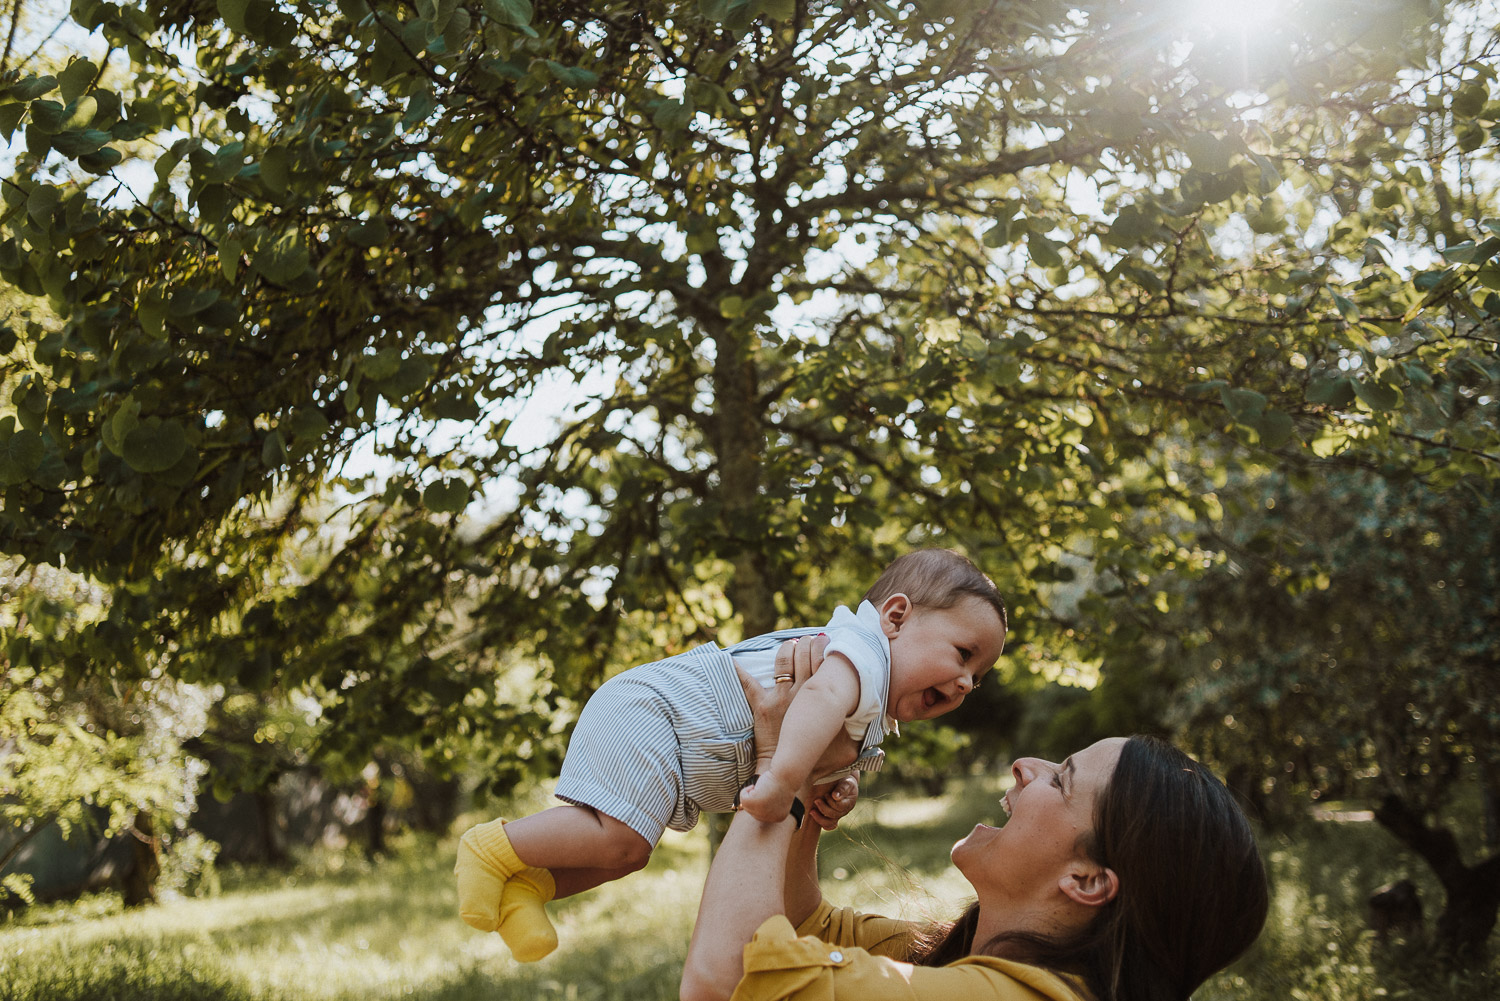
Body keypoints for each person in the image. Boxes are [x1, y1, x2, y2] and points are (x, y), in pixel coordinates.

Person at [456, 549, 1009, 961]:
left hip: (674, 740)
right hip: (660, 711)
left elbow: (813, 759)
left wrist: (829, 792)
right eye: (963, 654)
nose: (964, 682)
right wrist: (782, 776)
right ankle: (490, 846)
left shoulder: (872, 712)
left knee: (627, 853)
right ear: (895, 616)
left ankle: (530, 885)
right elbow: (812, 700)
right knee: (619, 836)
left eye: (977, 677)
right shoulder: (860, 655)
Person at [680, 635, 1270, 1001]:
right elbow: (806, 925)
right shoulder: (970, 959)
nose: (1023, 766)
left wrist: (775, 765)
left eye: (1061, 779)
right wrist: (806, 785)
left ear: (1088, 881)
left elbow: (725, 982)